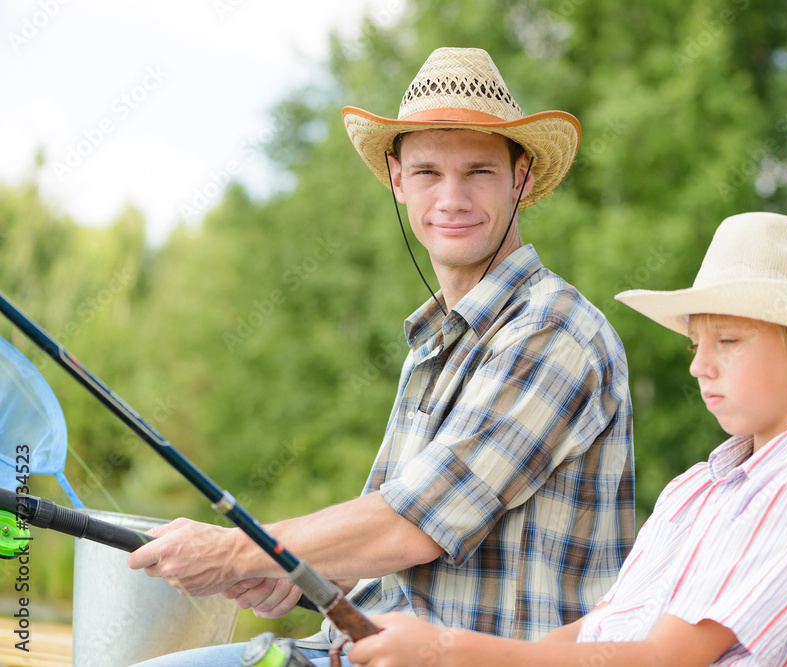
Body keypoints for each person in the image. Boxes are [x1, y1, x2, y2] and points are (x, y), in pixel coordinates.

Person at [127, 47, 634, 666]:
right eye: (426, 173)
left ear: (521, 179)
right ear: (397, 180)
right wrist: (298, 573)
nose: (451, 198)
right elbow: (389, 545)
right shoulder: (435, 342)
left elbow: (411, 528)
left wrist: (238, 551)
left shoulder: (553, 333)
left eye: (478, 171)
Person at [342, 211, 787, 667]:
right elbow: (600, 633)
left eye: (729, 342)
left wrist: (450, 652)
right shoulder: (696, 491)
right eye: (697, 345)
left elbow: (665, 658)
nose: (700, 367)